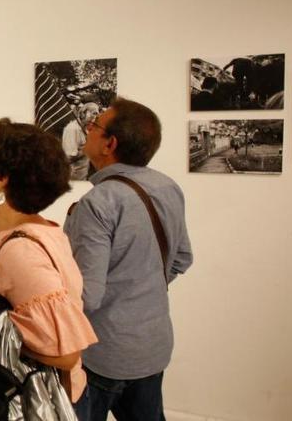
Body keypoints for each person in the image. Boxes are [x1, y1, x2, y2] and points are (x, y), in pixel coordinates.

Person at [65, 98, 193, 421]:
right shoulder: (168, 187)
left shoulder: (98, 203)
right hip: (153, 344)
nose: (87, 129)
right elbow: (182, 258)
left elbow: (86, 296)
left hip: (104, 353)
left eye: (94, 125)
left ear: (110, 144)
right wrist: (139, 285)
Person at [0, 119, 97, 404]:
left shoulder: (21, 253)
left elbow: (66, 355)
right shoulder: (30, 232)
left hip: (33, 402)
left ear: (1, 178)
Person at [61, 102, 99, 181]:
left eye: (97, 114)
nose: (96, 117)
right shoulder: (72, 129)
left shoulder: (85, 128)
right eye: (94, 113)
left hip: (82, 177)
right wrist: (88, 149)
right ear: (83, 113)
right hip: (72, 179)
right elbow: (68, 158)